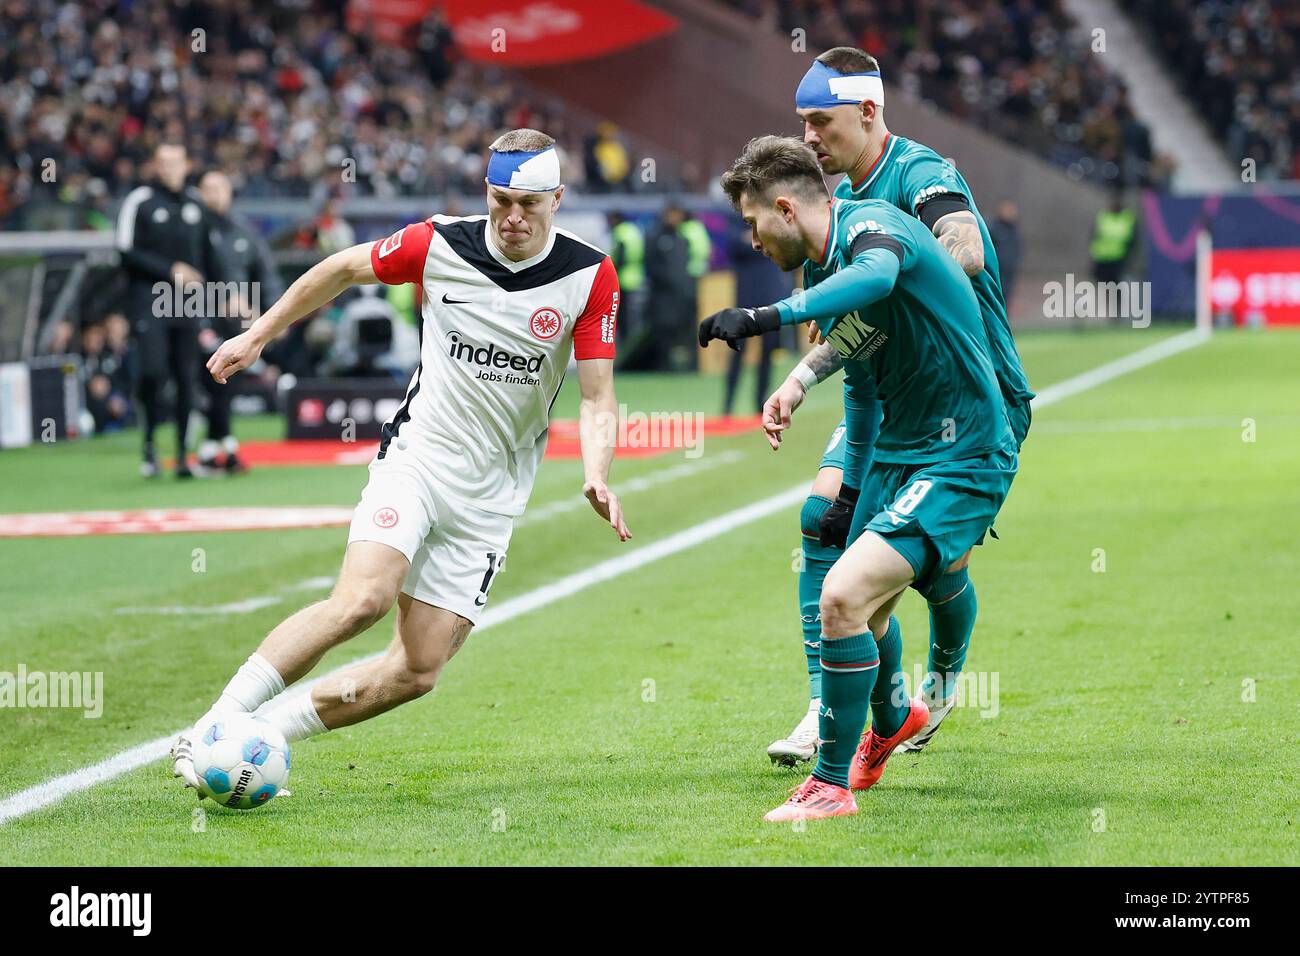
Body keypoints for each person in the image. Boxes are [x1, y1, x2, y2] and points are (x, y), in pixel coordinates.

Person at [171, 129, 629, 795]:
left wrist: (597, 471)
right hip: (418, 458)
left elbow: (598, 396)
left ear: (558, 199)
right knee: (361, 599)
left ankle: (264, 733)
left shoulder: (590, 276)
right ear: (487, 193)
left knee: (418, 670)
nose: (514, 217)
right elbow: (340, 268)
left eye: (530, 203)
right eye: (502, 200)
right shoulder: (440, 242)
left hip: (492, 495)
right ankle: (214, 726)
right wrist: (260, 333)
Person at [699, 135, 1018, 821]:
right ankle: (894, 718)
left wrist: (766, 317)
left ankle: (830, 784)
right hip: (900, 449)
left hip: (962, 451)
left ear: (785, 208)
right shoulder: (826, 266)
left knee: (841, 598)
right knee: (864, 614)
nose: (751, 241)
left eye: (753, 224)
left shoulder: (873, 225)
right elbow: (864, 362)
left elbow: (877, 277)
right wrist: (842, 469)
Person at [761, 48, 1034, 764]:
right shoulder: (840, 207)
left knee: (939, 571)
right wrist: (803, 376)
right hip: (887, 398)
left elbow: (963, 242)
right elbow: (864, 324)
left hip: (971, 403)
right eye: (802, 123)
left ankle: (938, 688)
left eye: (821, 121)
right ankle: (837, 706)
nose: (809, 137)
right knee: (824, 520)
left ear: (870, 112)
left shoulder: (922, 174)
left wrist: (909, 271)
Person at [116, 142, 232, 478]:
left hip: (189, 304)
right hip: (150, 301)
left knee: (187, 377)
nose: (169, 169)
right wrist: (170, 270)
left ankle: (182, 455)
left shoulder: (196, 204)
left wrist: (225, 293)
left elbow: (211, 256)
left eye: (175, 162)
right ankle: (150, 443)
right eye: (163, 162)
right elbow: (124, 252)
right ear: (155, 165)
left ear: (185, 165)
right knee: (153, 371)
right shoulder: (140, 201)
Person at [194, 169, 284, 474]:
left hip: (232, 323)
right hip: (194, 317)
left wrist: (275, 314)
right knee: (208, 381)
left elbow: (265, 273)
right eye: (208, 188)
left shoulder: (244, 232)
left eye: (220, 188)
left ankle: (214, 449)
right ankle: (219, 448)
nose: (215, 195)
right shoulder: (192, 231)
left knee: (221, 382)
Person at [722, 217, 790, 415]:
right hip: (746, 300)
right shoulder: (738, 221)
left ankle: (760, 403)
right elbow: (734, 245)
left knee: (767, 353)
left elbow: (779, 244)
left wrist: (753, 241)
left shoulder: (771, 220)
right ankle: (728, 403)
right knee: (736, 350)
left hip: (770, 299)